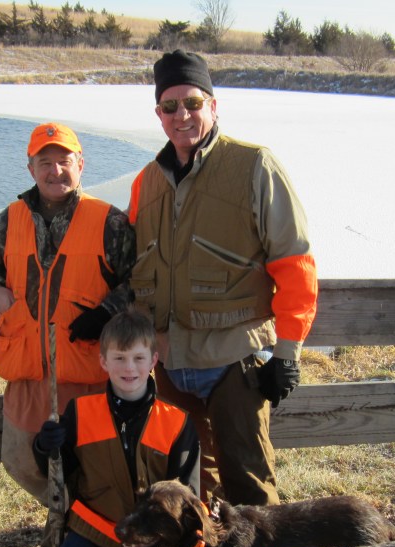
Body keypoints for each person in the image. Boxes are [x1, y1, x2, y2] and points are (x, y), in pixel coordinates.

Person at [127, 49, 319, 506]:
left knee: (249, 488)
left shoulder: (255, 166)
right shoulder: (145, 182)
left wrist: (287, 352)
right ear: (159, 114)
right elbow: (130, 268)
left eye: (193, 103)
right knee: (185, 490)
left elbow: (294, 261)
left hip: (235, 361)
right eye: (170, 106)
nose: (182, 115)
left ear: (213, 106)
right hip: (169, 364)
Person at [0, 122, 135, 504]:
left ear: (81, 164)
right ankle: (62, 517)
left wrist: (107, 311)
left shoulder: (109, 221)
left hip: (88, 373)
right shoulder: (11, 218)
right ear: (31, 169)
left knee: (93, 469)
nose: (55, 171)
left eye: (64, 161)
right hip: (27, 371)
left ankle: (82, 526)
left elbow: (141, 278)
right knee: (22, 461)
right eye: (45, 162)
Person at [33, 308, 200, 547]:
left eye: (138, 358)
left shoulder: (177, 422)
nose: (129, 368)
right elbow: (58, 473)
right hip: (93, 526)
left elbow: (186, 494)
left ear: (153, 360)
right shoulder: (80, 411)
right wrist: (44, 446)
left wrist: (158, 540)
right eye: (119, 358)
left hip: (145, 536)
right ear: (103, 362)